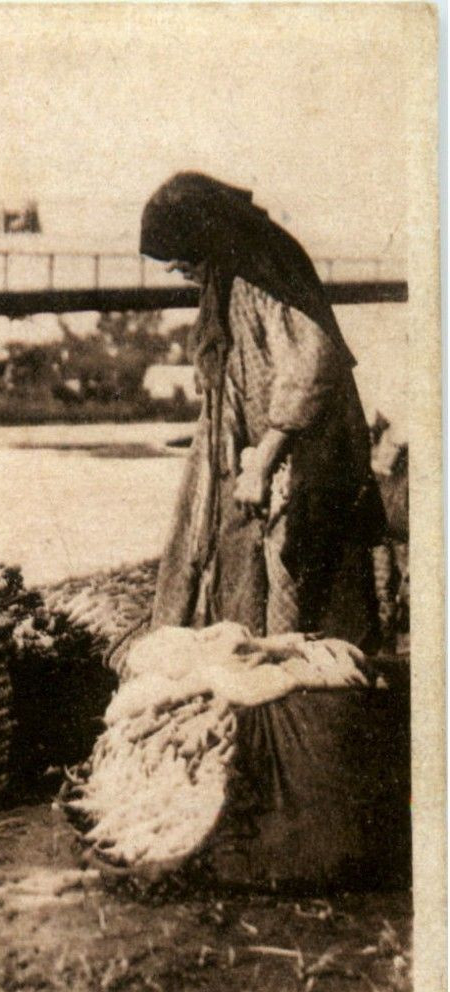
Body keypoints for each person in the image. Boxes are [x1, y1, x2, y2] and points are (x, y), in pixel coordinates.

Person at [139, 172, 383, 647]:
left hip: (308, 453)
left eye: (179, 259)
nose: (175, 270)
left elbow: (312, 365)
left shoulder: (266, 267)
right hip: (260, 456)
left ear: (201, 236)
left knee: (307, 589)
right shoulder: (228, 275)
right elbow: (231, 378)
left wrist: (265, 460)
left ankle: (305, 702)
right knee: (229, 566)